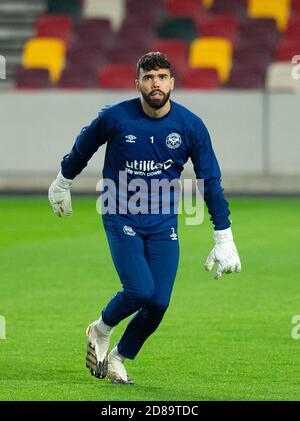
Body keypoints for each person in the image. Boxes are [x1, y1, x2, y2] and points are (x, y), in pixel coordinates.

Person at [48, 52, 241, 385]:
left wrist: (224, 235)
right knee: (139, 289)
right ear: (137, 82)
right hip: (120, 212)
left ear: (172, 83)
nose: (156, 84)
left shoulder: (190, 125)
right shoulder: (116, 117)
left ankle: (118, 358)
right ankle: (101, 328)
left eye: (163, 77)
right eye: (149, 77)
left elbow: (210, 180)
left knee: (160, 302)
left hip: (163, 221)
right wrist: (63, 181)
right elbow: (84, 146)